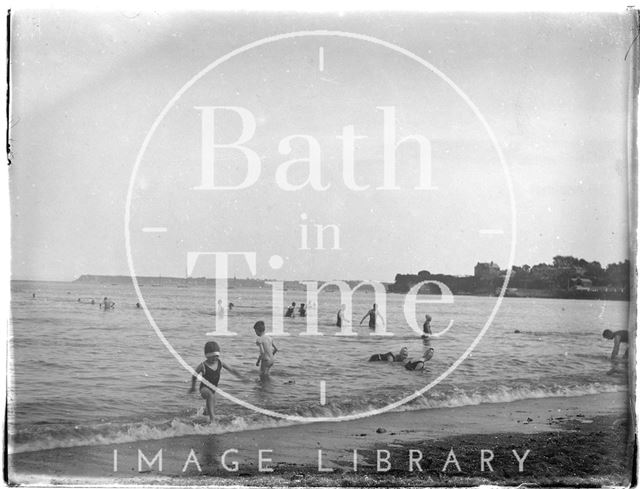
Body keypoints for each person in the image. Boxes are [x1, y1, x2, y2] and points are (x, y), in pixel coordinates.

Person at [189, 341, 242, 423]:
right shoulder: (203, 365)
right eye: (212, 357)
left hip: (213, 389)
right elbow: (194, 375)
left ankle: (204, 416)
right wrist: (193, 387)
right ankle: (212, 419)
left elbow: (231, 369)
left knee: (211, 407)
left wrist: (241, 376)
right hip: (204, 389)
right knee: (210, 395)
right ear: (207, 356)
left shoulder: (220, 363)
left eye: (216, 356)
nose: (214, 359)